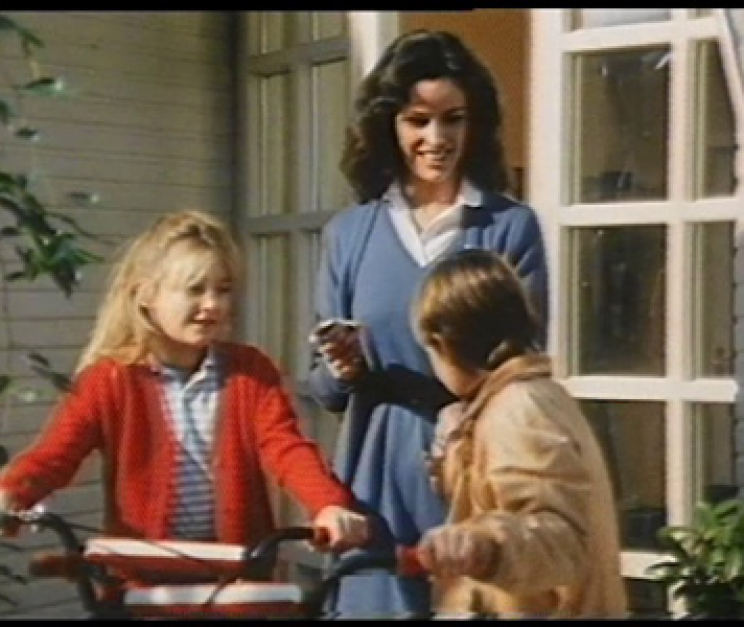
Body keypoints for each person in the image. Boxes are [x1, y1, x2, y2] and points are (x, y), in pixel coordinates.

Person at [307, 29, 549, 617]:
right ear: (388, 124)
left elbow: (524, 367)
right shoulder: (351, 233)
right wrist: (343, 367)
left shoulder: (508, 227)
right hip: (376, 477)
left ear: (475, 123)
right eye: (418, 120)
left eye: (453, 120)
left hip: (475, 474)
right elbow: (323, 390)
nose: (436, 139)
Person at [0, 210, 369, 560]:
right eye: (195, 290)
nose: (212, 305)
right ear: (146, 295)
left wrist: (328, 505)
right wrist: (11, 493)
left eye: (223, 290)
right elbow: (55, 456)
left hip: (237, 576)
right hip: (142, 578)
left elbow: (286, 447)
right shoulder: (108, 380)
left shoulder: (250, 371)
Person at [411, 248, 627, 619]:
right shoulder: (517, 400)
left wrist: (486, 544)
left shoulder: (518, 409)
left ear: (443, 344)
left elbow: (562, 539)